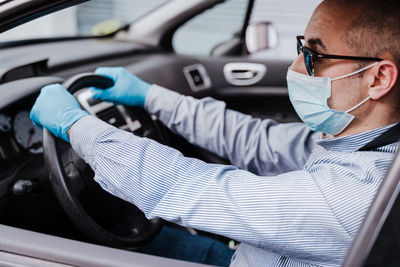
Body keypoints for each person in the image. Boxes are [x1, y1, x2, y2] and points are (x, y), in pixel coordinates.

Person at [30, 0, 400, 266]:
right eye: (300, 48)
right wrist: (150, 94)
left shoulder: (356, 194)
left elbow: (191, 188)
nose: (295, 67)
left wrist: (76, 126)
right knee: (138, 237)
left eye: (314, 56)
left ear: (377, 79)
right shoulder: (360, 141)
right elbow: (258, 141)